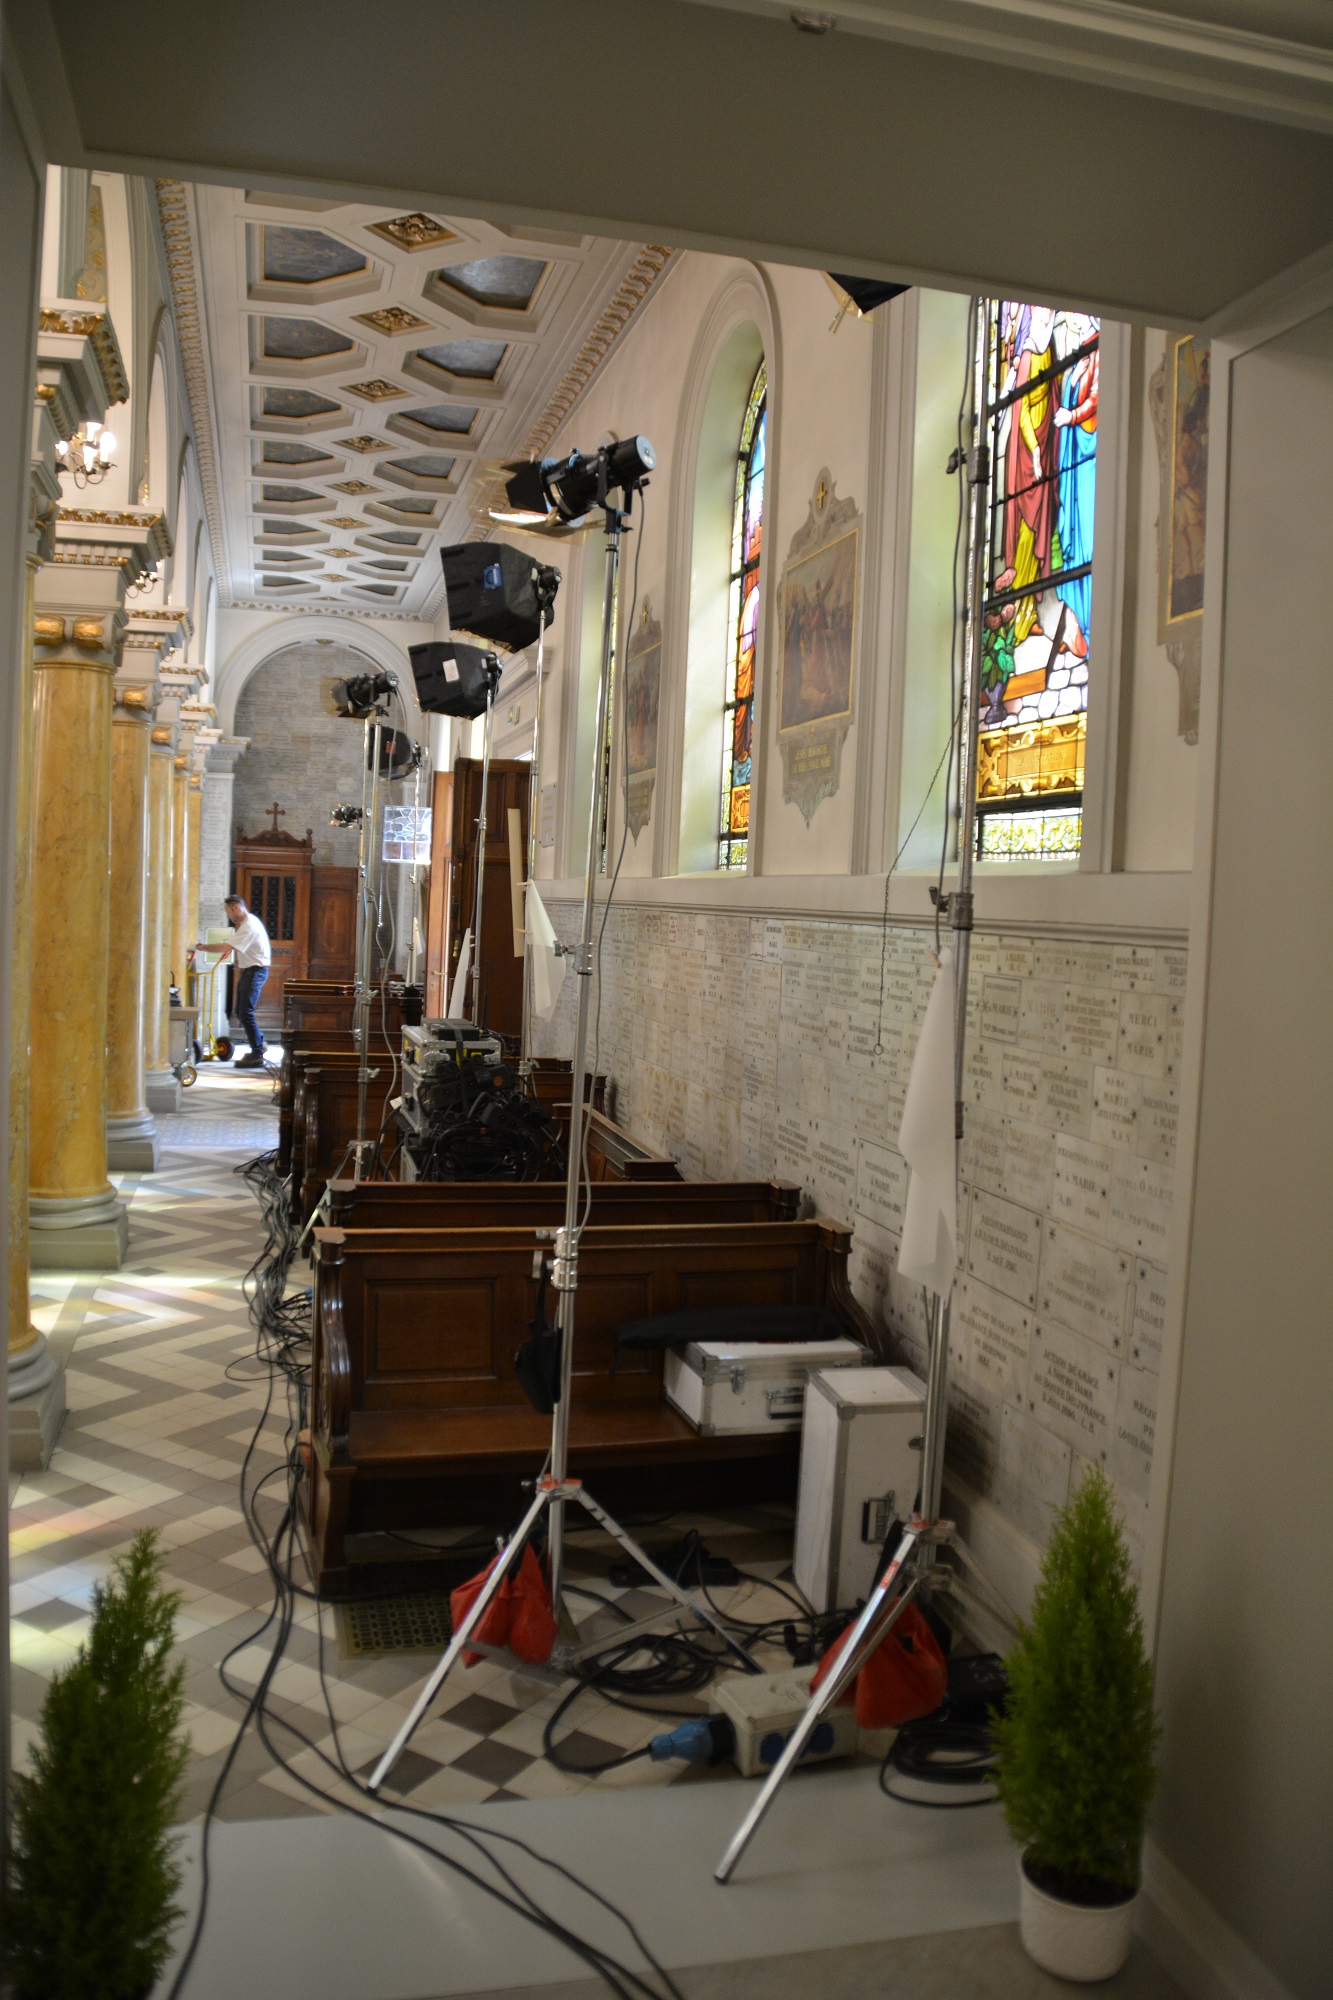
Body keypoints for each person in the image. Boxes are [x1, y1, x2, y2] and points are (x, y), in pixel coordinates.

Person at [215, 894, 272, 1068]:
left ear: (236, 908)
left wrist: (200, 947)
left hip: (255, 971)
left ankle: (257, 1053)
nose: (228, 916)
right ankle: (259, 1044)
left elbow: (226, 947)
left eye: (228, 911)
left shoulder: (249, 926)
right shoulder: (248, 922)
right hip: (249, 971)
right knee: (240, 1011)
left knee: (245, 1012)